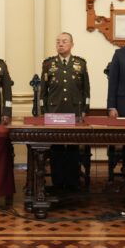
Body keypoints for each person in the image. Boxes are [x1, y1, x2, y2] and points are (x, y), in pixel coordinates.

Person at [40, 32, 90, 191]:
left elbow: (86, 89)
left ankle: (73, 182)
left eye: (64, 41)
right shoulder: (48, 64)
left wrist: (85, 109)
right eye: (58, 42)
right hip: (55, 111)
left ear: (72, 44)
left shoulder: (80, 63)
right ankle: (58, 182)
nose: (60, 44)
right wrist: (44, 110)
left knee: (73, 147)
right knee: (57, 148)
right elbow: (43, 91)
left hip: (75, 111)